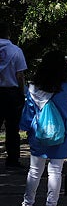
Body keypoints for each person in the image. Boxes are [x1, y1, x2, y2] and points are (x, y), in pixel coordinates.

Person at [18, 52, 67, 206]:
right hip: (62, 136)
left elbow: (28, 114)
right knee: (55, 171)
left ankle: (27, 204)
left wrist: (25, 128)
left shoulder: (32, 88)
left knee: (34, 170)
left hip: (38, 135)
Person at [0, 21, 27, 170]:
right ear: (8, 33)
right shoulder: (16, 51)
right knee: (12, 128)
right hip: (11, 92)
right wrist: (21, 93)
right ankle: (12, 160)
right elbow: (20, 75)